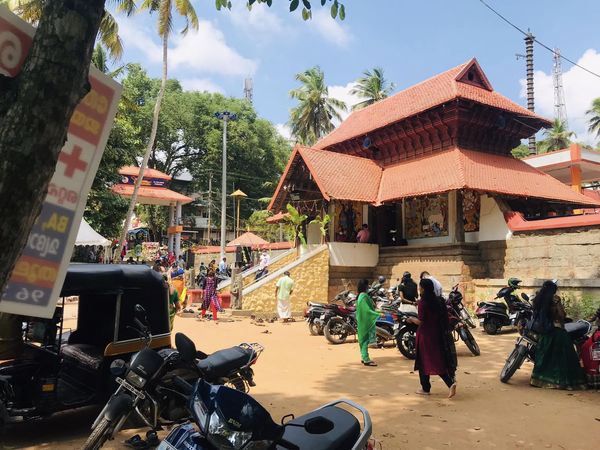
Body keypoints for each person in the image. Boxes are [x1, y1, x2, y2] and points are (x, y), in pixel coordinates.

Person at [529, 280, 587, 390]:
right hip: (558, 332)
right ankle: (561, 382)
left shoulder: (538, 300)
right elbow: (562, 315)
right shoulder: (555, 300)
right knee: (563, 358)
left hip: (544, 333)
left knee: (544, 357)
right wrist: (558, 305)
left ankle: (539, 380)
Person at [408, 278, 457, 398]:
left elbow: (421, 321)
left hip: (425, 335)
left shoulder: (423, 303)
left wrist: (411, 319)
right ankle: (447, 383)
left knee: (423, 362)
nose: (419, 289)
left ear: (423, 289)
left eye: (420, 287)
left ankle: (427, 388)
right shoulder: (439, 301)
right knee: (437, 359)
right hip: (437, 334)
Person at [356, 279, 381, 366]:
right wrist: (378, 314)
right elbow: (367, 310)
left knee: (362, 340)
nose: (369, 287)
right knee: (365, 340)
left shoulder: (360, 296)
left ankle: (364, 357)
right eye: (368, 285)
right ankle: (366, 359)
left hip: (361, 320)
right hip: (364, 321)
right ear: (365, 286)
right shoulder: (364, 296)